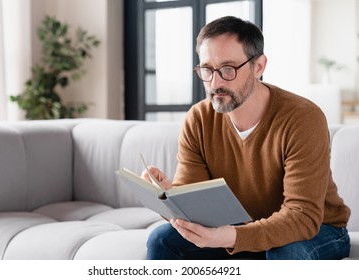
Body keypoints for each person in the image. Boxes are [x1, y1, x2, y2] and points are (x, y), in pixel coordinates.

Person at [142, 16, 351, 260]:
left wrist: (230, 237)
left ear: (259, 66)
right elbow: (197, 210)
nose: (215, 82)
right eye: (207, 70)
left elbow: (302, 217)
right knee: (162, 240)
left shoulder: (303, 118)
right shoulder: (198, 119)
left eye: (228, 69)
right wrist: (170, 198)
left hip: (318, 230)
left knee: (287, 252)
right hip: (236, 229)